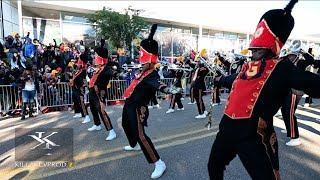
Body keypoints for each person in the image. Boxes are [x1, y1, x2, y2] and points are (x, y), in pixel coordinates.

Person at [207, 0, 320, 179]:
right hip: (226, 131)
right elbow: (236, 80)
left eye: (257, 50)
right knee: (213, 167)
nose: (252, 53)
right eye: (252, 49)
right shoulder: (248, 66)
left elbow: (311, 82)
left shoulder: (282, 68)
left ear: (271, 47)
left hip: (253, 137)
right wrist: (220, 79)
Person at [122, 24, 181, 179]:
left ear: (150, 60)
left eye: (143, 61)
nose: (140, 63)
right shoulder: (142, 72)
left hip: (138, 108)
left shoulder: (151, 74)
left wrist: (169, 90)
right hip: (129, 104)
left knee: (141, 135)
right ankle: (133, 144)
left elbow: (159, 84)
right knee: (125, 125)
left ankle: (158, 163)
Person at [280, 40, 319, 146]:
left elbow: (312, 61)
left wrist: (303, 51)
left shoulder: (300, 62)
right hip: (289, 89)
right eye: (290, 54)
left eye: (293, 54)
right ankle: (290, 129)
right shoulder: (285, 62)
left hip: (296, 89)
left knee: (289, 112)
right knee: (286, 111)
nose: (291, 55)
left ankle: (295, 137)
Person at [87, 39, 116, 141]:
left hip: (100, 93)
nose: (94, 58)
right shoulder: (98, 68)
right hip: (92, 92)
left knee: (102, 111)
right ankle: (97, 124)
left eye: (96, 56)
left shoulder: (107, 68)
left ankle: (111, 131)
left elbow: (114, 73)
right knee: (93, 109)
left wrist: (116, 72)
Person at [70, 54, 91, 124]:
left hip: (80, 88)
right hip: (75, 87)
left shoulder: (84, 70)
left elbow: (84, 80)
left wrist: (84, 87)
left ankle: (86, 116)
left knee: (82, 102)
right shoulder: (79, 70)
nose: (78, 61)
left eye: (79, 59)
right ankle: (78, 112)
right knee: (75, 100)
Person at [191, 49, 209, 119]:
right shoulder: (198, 68)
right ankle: (204, 111)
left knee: (199, 100)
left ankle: (201, 113)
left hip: (199, 86)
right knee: (199, 99)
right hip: (196, 85)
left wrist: (204, 63)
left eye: (198, 61)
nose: (197, 63)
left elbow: (206, 71)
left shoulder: (203, 69)